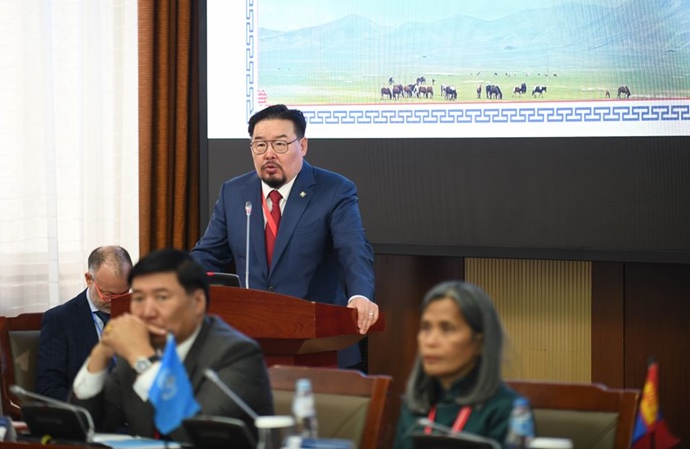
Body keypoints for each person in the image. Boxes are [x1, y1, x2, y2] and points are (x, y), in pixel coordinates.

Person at [190, 104, 379, 368]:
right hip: (250, 346)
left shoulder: (334, 191)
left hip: (318, 345)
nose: (268, 154)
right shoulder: (234, 192)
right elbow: (208, 254)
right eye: (259, 145)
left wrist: (360, 295)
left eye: (280, 145)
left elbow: (353, 250)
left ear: (302, 146)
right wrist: (172, 283)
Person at [71, 248, 273, 443]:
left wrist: (144, 362)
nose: (147, 311)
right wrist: (100, 353)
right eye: (139, 298)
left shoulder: (236, 354)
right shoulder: (135, 353)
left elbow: (198, 436)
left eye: (162, 297)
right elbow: (85, 428)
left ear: (198, 301)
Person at [393, 280, 530, 449]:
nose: (431, 341)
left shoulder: (507, 409)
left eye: (447, 328)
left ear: (480, 342)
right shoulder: (415, 406)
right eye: (426, 327)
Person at [35, 245, 133, 401]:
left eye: (123, 293)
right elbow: (49, 389)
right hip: (91, 417)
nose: (115, 302)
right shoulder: (60, 320)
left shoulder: (140, 314)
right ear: (89, 279)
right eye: (108, 295)